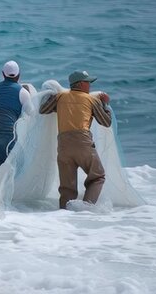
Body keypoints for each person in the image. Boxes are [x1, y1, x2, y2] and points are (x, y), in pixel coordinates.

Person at [39, 70, 112, 209]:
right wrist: (105, 104)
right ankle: (86, 207)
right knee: (98, 176)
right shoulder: (92, 100)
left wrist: (52, 98)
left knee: (67, 188)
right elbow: (106, 122)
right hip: (82, 142)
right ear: (80, 84)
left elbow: (43, 110)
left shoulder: (60, 97)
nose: (90, 85)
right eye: (88, 82)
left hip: (64, 145)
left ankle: (65, 216)